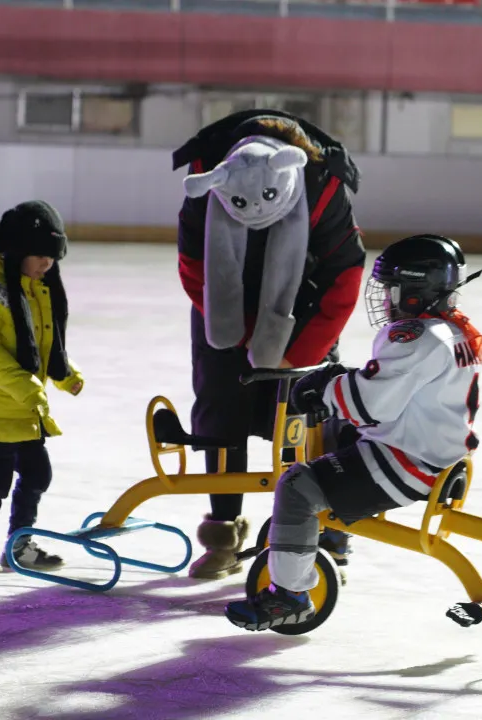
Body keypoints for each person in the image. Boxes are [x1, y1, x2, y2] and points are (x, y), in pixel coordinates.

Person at [224, 234, 482, 630]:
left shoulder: (417, 336)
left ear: (414, 291)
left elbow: (374, 402)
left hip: (408, 463)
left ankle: (290, 597)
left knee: (295, 487)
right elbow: (397, 391)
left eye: (392, 290)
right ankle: (331, 540)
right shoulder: (454, 331)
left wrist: (324, 388)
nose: (385, 300)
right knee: (338, 432)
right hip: (435, 452)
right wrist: (340, 385)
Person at [172, 109, 366, 580]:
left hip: (303, 311)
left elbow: (344, 278)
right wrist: (234, 332)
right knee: (222, 412)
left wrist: (296, 353)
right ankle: (222, 533)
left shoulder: (323, 185)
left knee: (310, 420)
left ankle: (326, 531)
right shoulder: (207, 178)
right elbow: (194, 265)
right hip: (225, 309)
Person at [0, 200, 85, 573]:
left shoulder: (33, 286)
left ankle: (19, 543)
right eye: (39, 255)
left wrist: (63, 373)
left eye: (53, 257)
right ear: (16, 251)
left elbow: (41, 343)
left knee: (38, 474)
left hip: (23, 407)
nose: (47, 264)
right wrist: (27, 387)